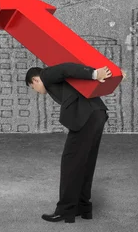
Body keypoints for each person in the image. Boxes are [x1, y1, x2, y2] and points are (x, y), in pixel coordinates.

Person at [25, 62, 113, 223]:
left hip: (86, 116)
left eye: (32, 87)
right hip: (97, 114)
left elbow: (67, 68)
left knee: (70, 162)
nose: (35, 91)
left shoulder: (46, 75)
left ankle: (66, 210)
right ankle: (82, 207)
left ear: (35, 80)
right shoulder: (57, 83)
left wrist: (95, 74)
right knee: (85, 162)